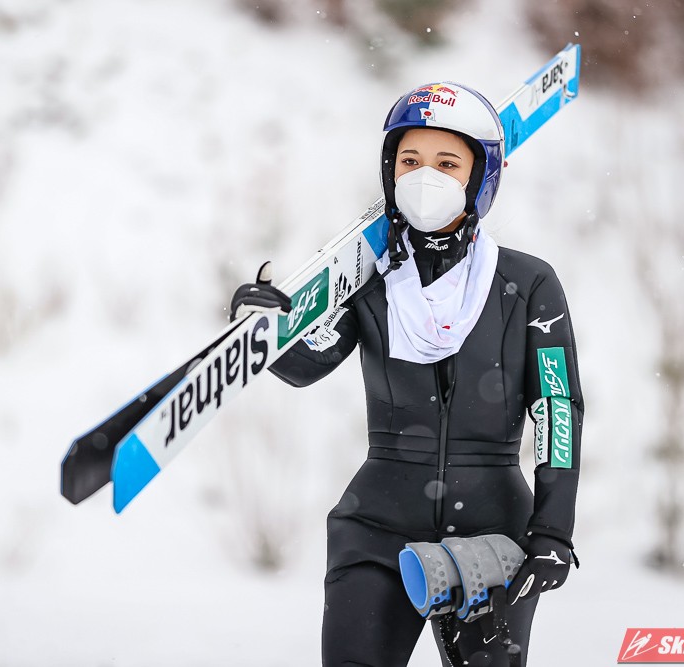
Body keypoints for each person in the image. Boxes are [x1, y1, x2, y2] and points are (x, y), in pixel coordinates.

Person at [229, 82, 584, 667]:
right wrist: (266, 329)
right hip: (376, 528)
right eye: (410, 161)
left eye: (447, 164)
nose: (425, 178)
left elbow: (557, 409)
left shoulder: (527, 285)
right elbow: (305, 364)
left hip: (493, 538)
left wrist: (552, 530)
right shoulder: (367, 280)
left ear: (479, 177)